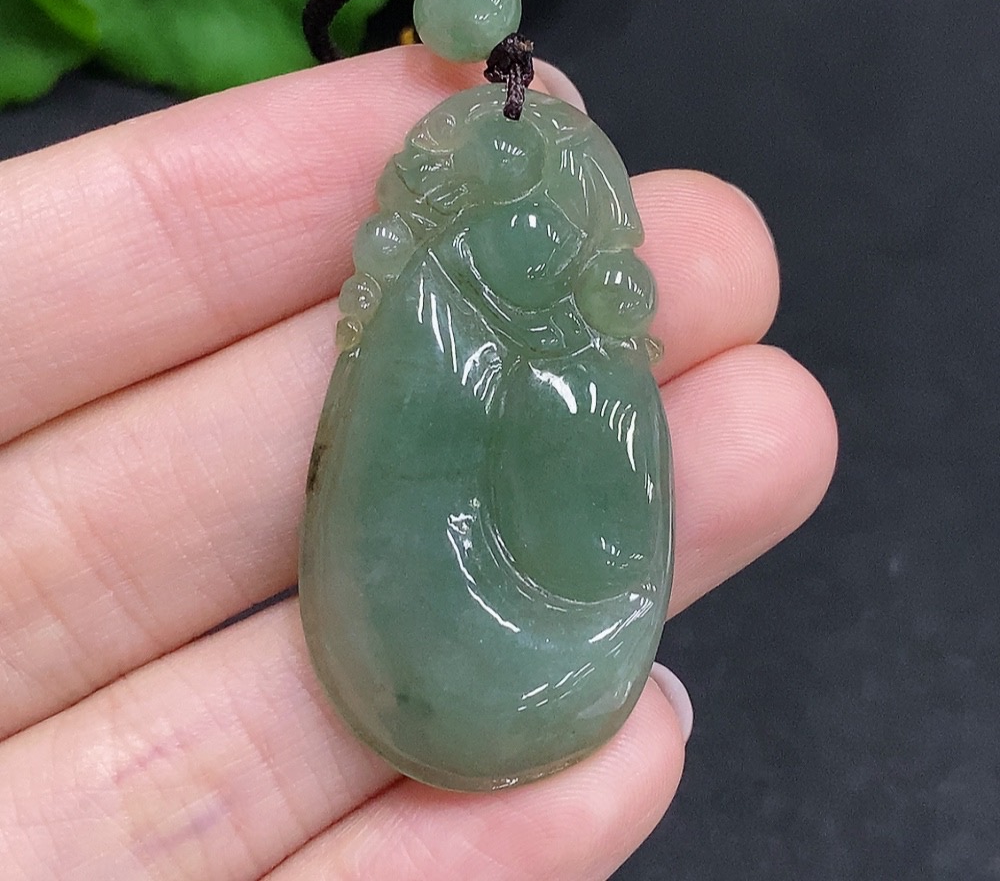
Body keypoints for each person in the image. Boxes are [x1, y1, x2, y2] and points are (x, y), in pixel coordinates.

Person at [0, 47, 837, 879]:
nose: (545, 261)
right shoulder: (440, 307)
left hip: (534, 625)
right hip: (436, 621)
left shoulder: (556, 344)